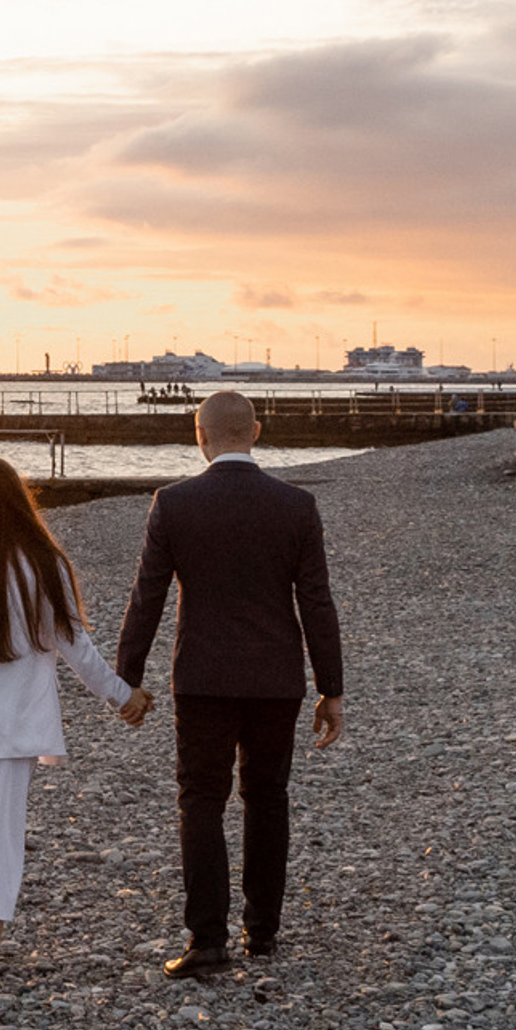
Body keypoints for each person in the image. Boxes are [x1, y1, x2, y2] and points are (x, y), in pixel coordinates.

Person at [113, 388, 345, 980]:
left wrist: (126, 681)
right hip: (276, 678)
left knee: (202, 799)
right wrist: (331, 687)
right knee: (267, 797)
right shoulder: (296, 505)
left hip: (204, 678)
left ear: (200, 436)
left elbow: (148, 597)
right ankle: (262, 932)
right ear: (257, 431)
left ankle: (207, 940)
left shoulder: (174, 503)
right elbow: (316, 602)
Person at [0, 455, 151, 1000]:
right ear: (21, 501)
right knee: (0, 829)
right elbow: (74, 646)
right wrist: (121, 696)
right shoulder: (42, 560)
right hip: (11, 716)